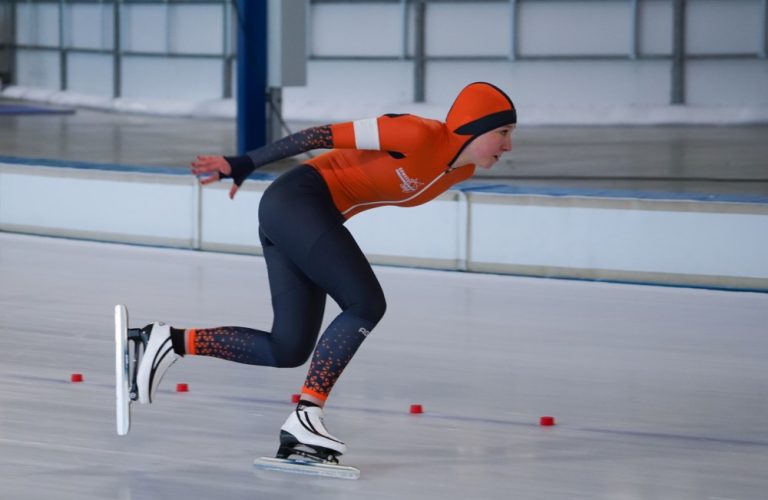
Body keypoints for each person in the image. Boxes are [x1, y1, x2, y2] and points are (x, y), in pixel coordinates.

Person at [134, 82, 516, 463]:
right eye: (503, 132)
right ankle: (307, 414)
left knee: (287, 347)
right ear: (474, 125)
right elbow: (319, 135)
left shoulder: (459, 172)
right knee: (365, 304)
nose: (508, 146)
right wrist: (244, 162)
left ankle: (168, 341)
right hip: (297, 201)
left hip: (306, 216)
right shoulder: (416, 133)